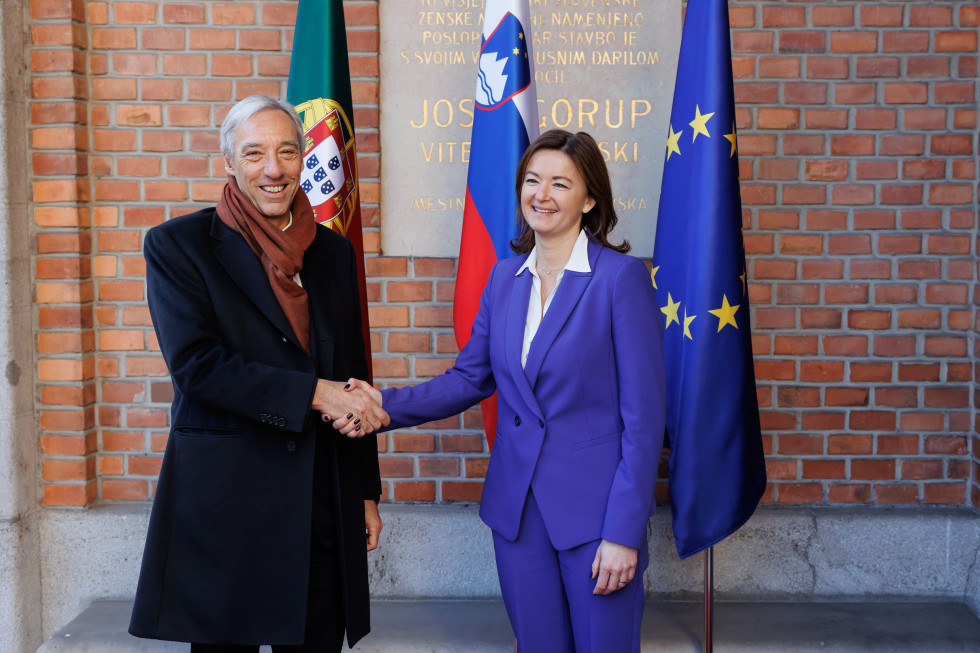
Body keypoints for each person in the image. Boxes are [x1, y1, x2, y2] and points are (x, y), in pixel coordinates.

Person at [347, 129, 665, 652]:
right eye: (532, 180)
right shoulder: (504, 278)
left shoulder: (620, 280)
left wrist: (623, 532)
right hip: (517, 512)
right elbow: (469, 378)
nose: (541, 194)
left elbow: (645, 420)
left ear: (589, 200)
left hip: (595, 515)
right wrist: (381, 406)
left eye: (560, 183)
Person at [129, 95, 389, 653]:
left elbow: (354, 376)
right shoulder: (179, 246)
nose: (273, 168)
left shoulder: (334, 254)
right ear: (229, 161)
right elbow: (197, 367)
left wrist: (365, 492)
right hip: (229, 506)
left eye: (287, 152)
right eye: (255, 153)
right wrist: (314, 394)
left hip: (321, 497)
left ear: (302, 161)